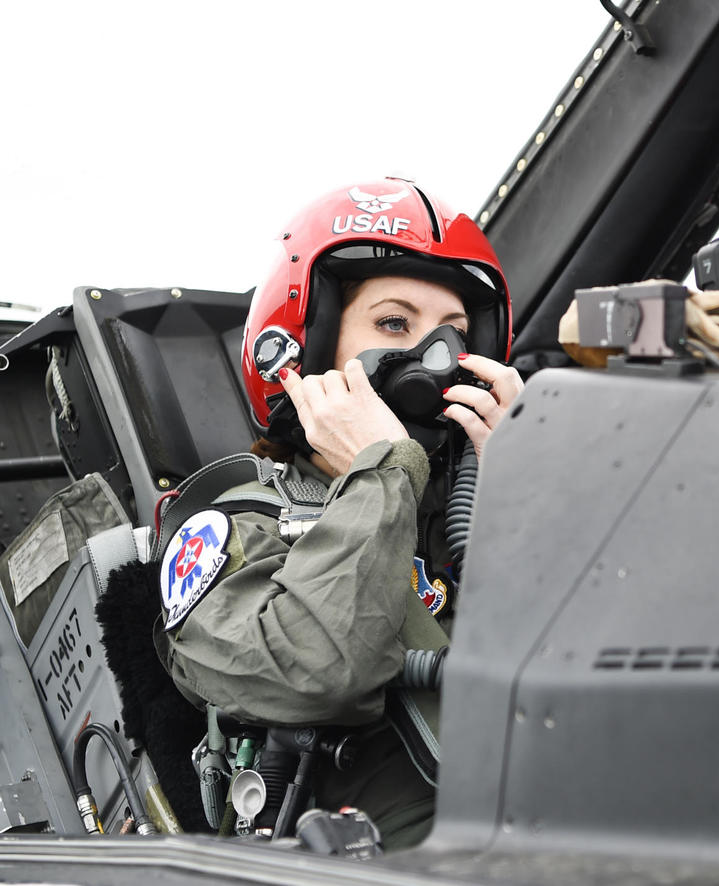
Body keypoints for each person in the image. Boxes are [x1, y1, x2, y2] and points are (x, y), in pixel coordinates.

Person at [153, 177, 522, 847]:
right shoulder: (234, 530)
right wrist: (383, 466)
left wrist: (530, 501)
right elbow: (315, 674)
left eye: (456, 334)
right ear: (310, 349)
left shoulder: (481, 509)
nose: (434, 357)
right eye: (393, 323)